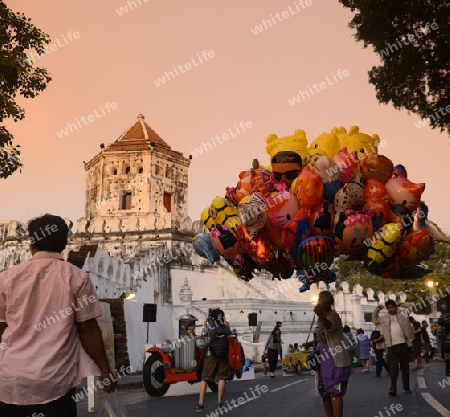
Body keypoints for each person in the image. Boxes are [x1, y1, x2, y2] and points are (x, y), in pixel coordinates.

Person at [0, 214, 116, 417]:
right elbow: (87, 329)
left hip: (11, 381)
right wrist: (105, 371)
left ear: (32, 243)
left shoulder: (7, 278)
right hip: (55, 382)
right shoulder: (76, 277)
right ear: (64, 244)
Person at [313, 290, 352, 417]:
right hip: (322, 360)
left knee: (334, 391)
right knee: (324, 393)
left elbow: (330, 327)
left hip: (334, 359)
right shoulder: (320, 319)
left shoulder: (332, 316)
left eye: (324, 301)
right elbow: (321, 337)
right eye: (320, 300)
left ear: (330, 303)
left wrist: (321, 316)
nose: (321, 303)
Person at [372, 300, 414, 396]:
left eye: (392, 307)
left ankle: (406, 387)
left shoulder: (403, 314)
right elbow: (374, 320)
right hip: (391, 346)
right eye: (389, 308)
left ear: (395, 307)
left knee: (405, 368)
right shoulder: (384, 318)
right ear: (387, 309)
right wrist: (377, 309)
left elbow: (411, 306)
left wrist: (400, 303)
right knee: (393, 368)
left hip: (403, 344)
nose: (391, 309)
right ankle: (393, 388)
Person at [194, 308, 231, 413]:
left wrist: (205, 321)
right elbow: (229, 334)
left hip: (210, 355)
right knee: (222, 378)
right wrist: (226, 322)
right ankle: (220, 403)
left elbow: (202, 333)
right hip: (223, 355)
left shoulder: (210, 327)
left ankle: (201, 403)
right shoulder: (226, 327)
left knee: (205, 378)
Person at [437, 295, 450, 376]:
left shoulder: (443, 315)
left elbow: (440, 331)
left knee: (448, 357)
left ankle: (448, 370)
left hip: (448, 342)